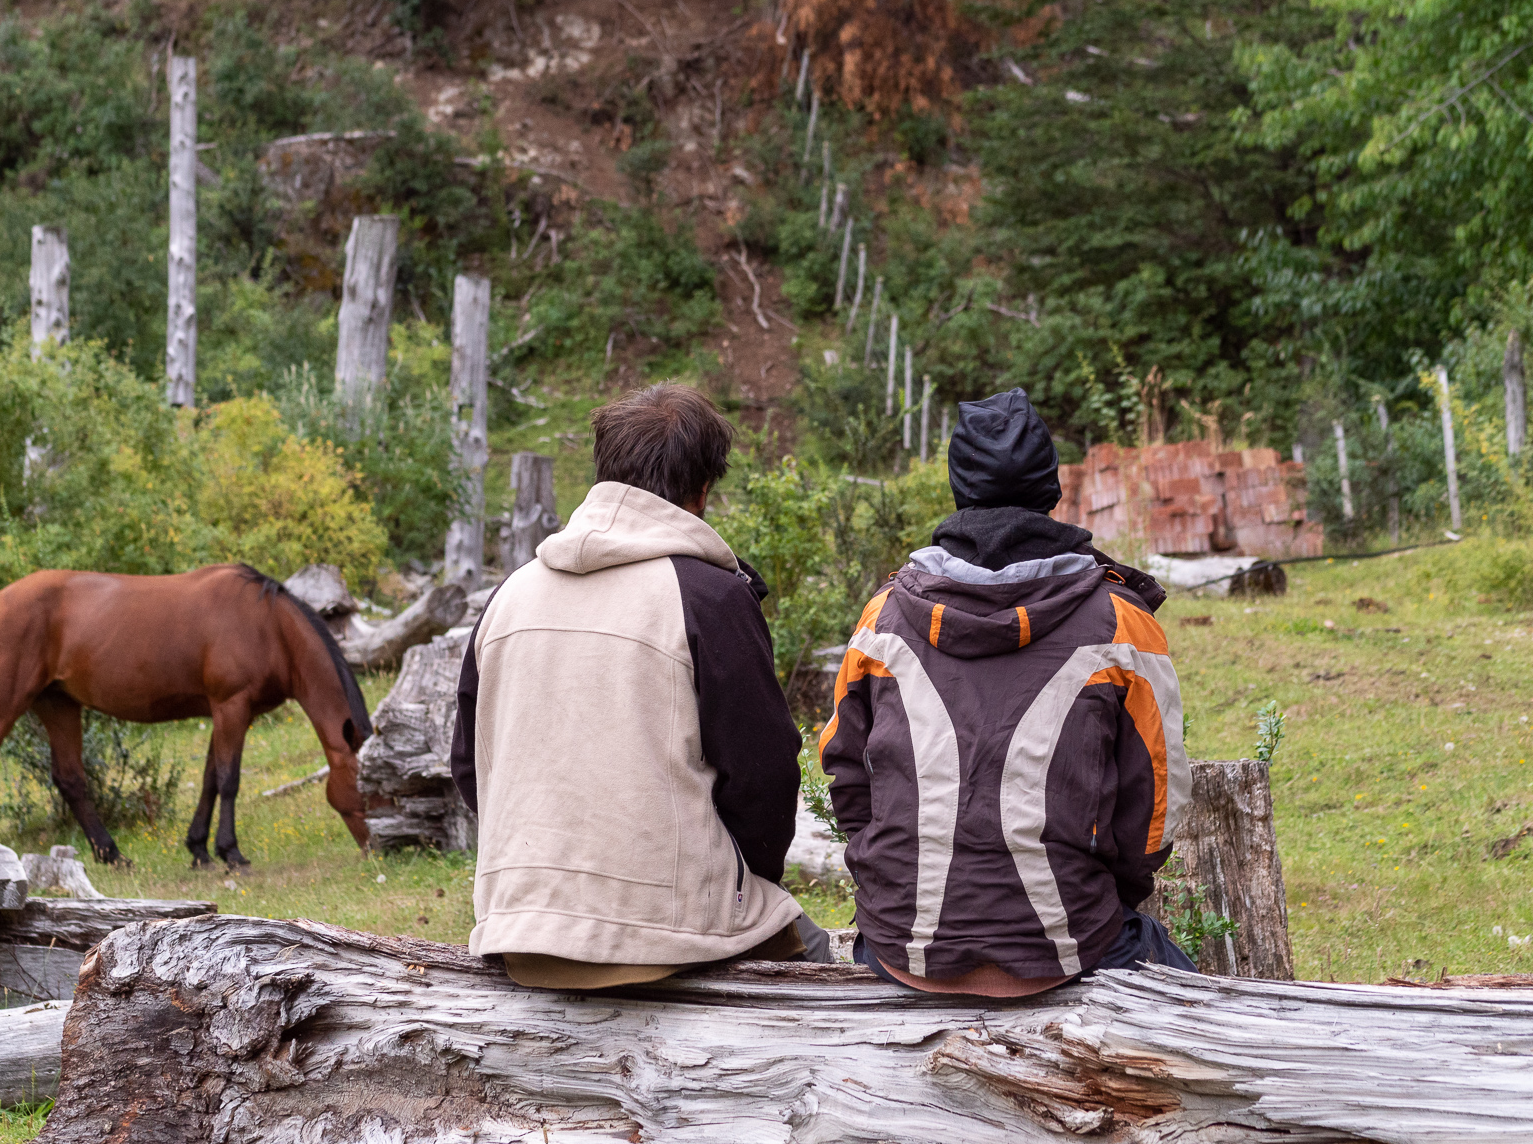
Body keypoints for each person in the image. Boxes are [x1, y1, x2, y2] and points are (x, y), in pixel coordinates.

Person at [452, 382, 829, 990]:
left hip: (517, 933)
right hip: (670, 935)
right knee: (818, 965)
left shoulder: (510, 594)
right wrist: (748, 880)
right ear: (702, 493)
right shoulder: (710, 597)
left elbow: (469, 769)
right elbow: (764, 775)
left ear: (603, 475)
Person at [819, 388, 1196, 996]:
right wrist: (1098, 897)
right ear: (1053, 492)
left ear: (958, 491)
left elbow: (844, 772)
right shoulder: (1122, 623)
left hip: (901, 950)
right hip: (1069, 946)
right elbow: (1156, 803)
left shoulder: (882, 619)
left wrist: (885, 876)